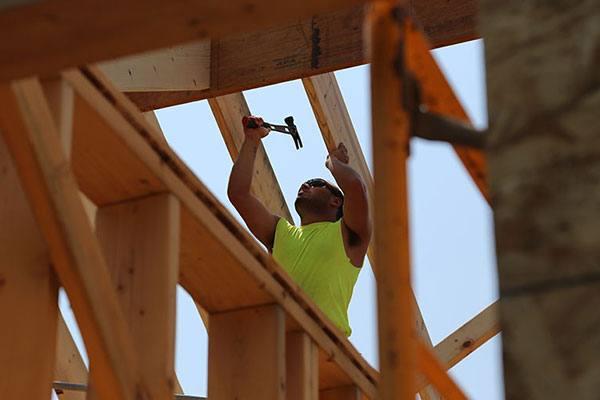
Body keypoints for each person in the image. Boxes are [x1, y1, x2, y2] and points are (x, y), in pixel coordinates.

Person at [227, 116, 371, 336]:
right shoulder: (282, 233)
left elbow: (355, 187)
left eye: (315, 184)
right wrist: (252, 140)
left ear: (336, 201)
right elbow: (238, 194)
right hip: (280, 342)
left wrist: (333, 162)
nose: (304, 185)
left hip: (326, 346)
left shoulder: (348, 233)